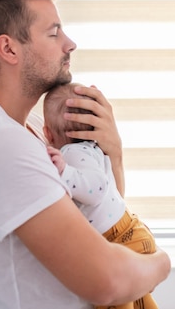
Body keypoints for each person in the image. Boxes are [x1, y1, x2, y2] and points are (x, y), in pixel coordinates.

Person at [0, 0, 171, 309]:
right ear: (8, 49)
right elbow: (105, 281)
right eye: (53, 33)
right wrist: (160, 263)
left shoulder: (34, 130)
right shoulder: (2, 146)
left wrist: (114, 154)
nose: (70, 44)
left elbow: (96, 220)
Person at [43, 82, 159, 309]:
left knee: (116, 299)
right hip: (127, 231)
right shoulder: (95, 151)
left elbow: (96, 190)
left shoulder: (72, 154)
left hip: (119, 237)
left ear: (48, 133)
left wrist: (65, 171)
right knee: (139, 300)